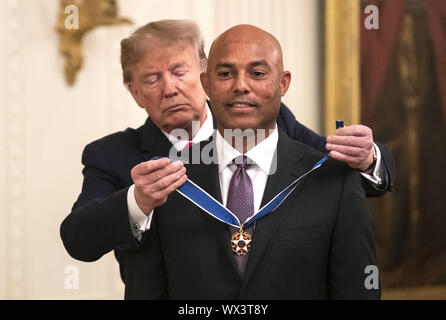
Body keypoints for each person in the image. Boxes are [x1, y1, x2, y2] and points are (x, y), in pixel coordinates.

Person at [60, 20, 392, 283]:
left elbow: (333, 172)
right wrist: (137, 201)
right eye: (151, 78)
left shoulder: (272, 120)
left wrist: (369, 158)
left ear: (204, 75)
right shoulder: (113, 155)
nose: (170, 87)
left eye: (179, 71)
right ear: (134, 93)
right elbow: (79, 239)